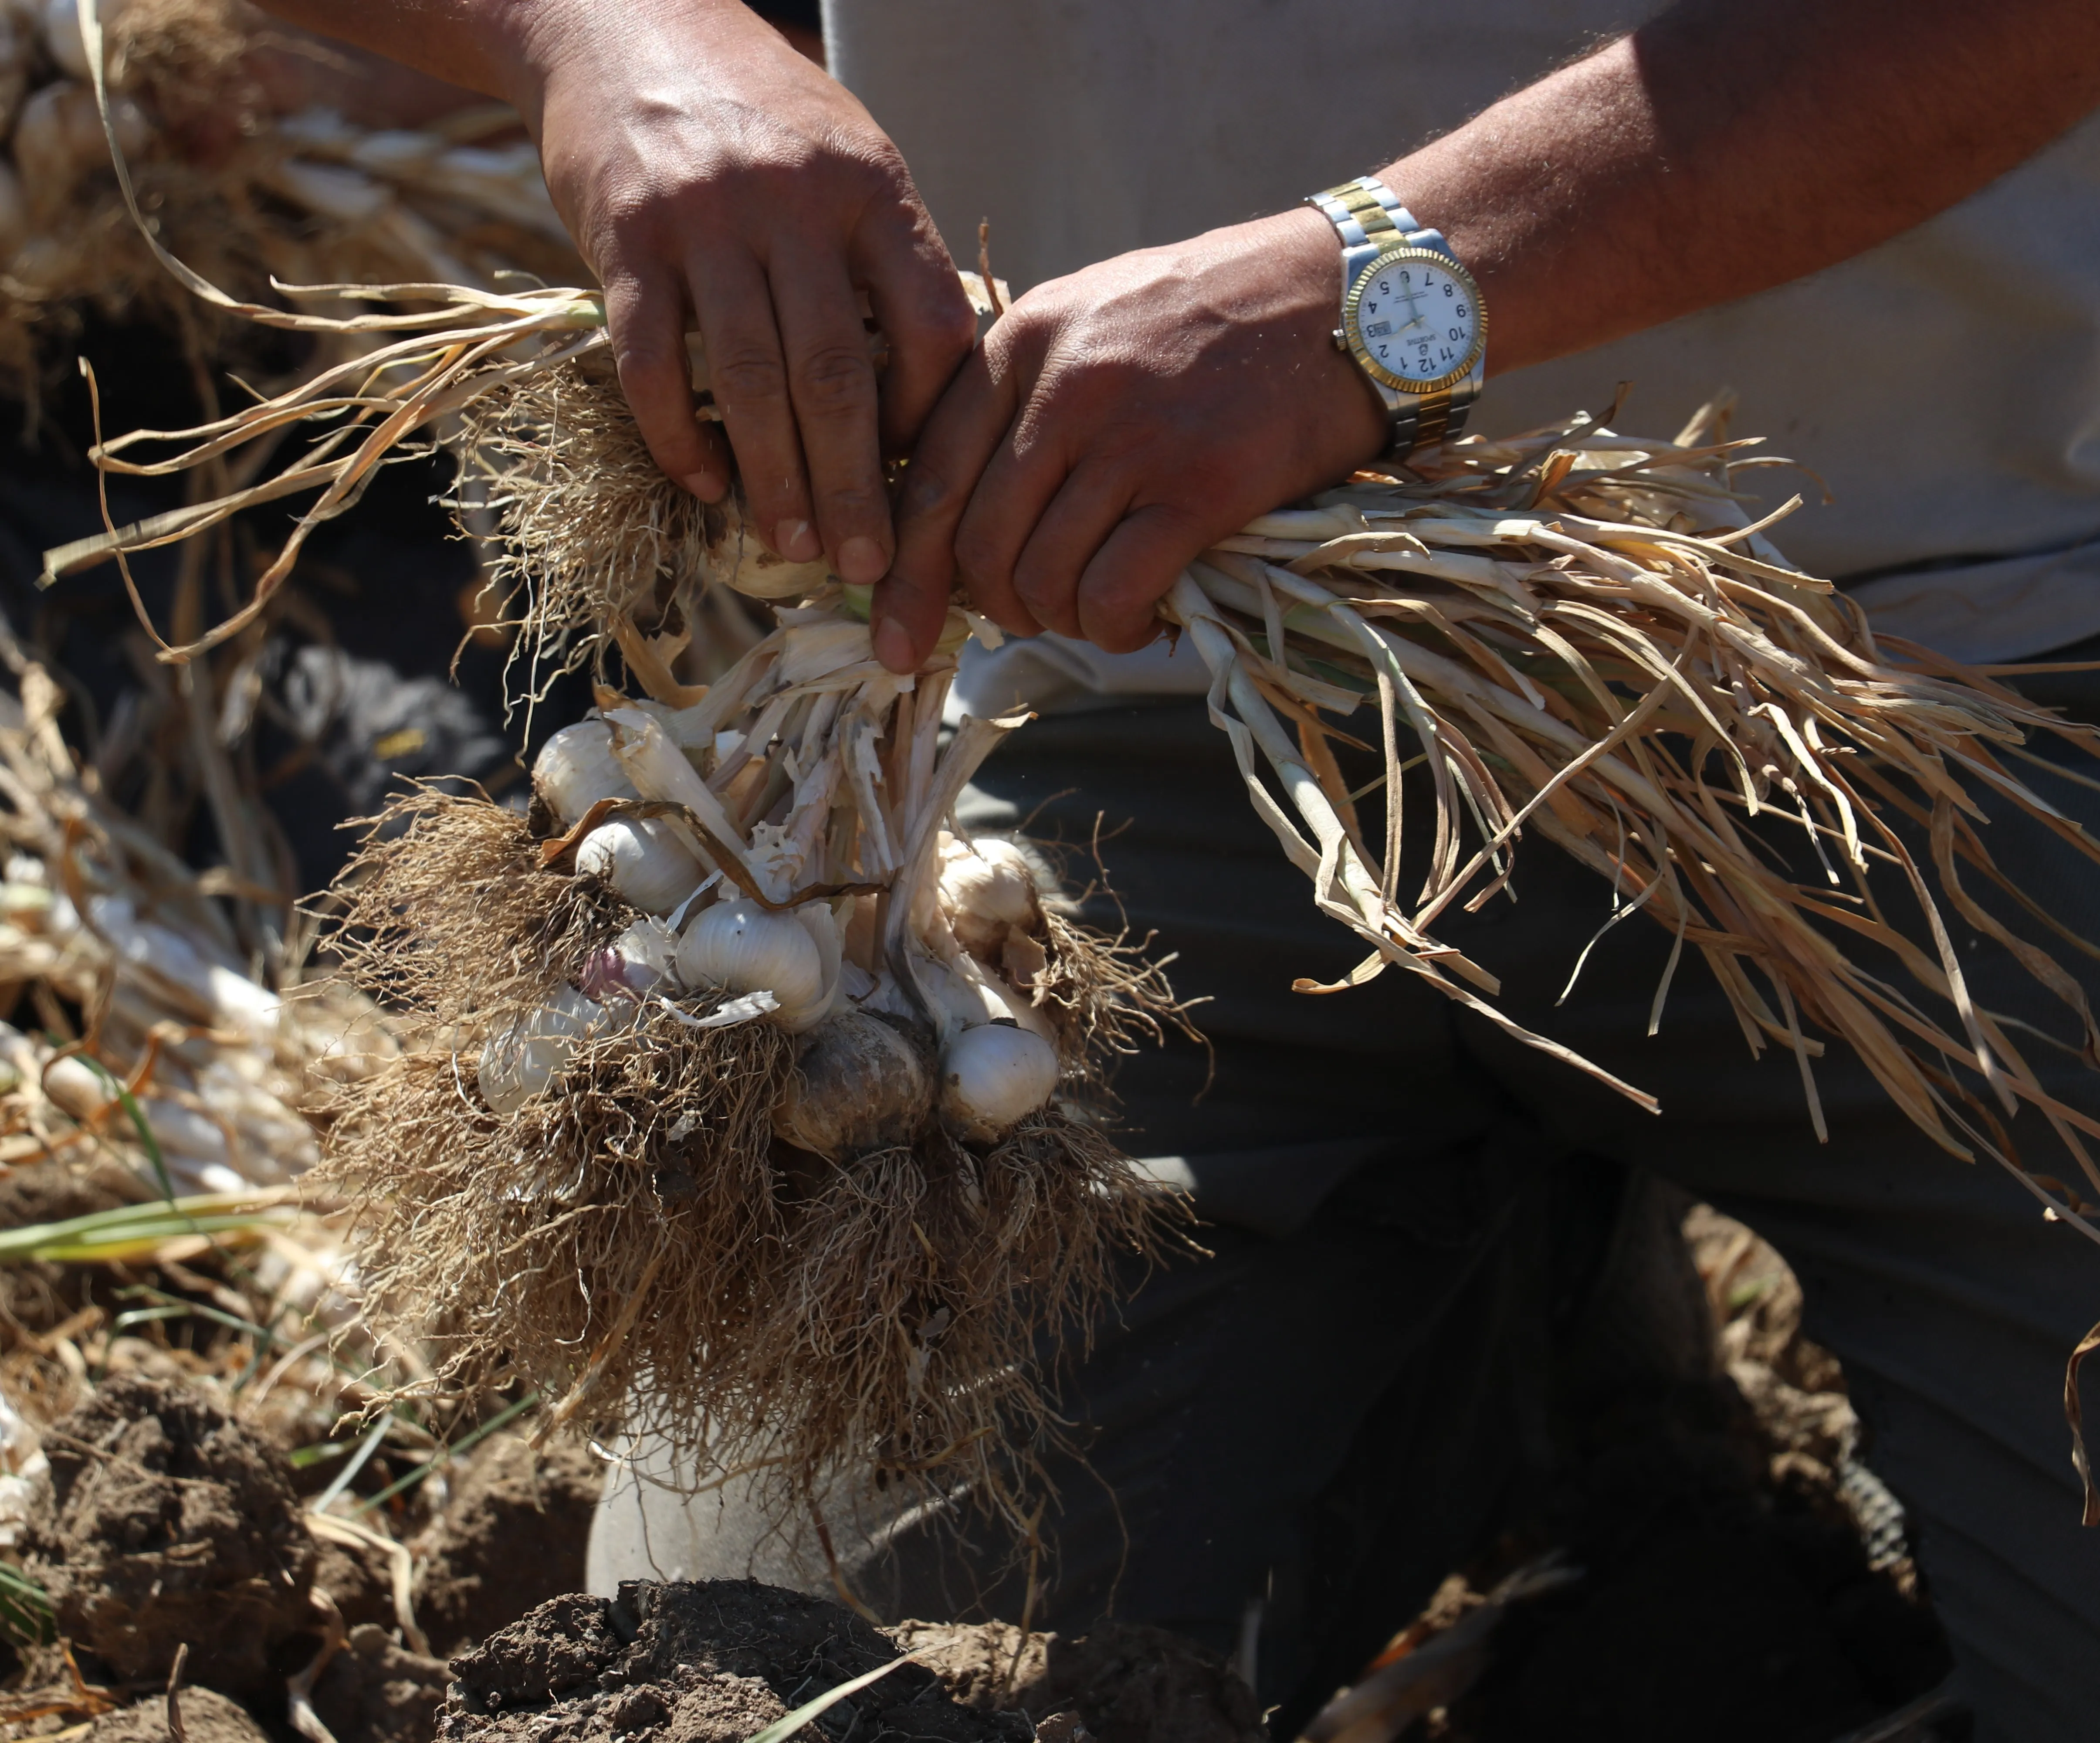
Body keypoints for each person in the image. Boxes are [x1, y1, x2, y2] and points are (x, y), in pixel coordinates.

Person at [253, 3, 2100, 1736]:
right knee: (815, 1698)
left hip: (1930, 689)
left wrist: (1378, 286)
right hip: (1147, 708)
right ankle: (1479, 1270)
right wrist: (610, 36)